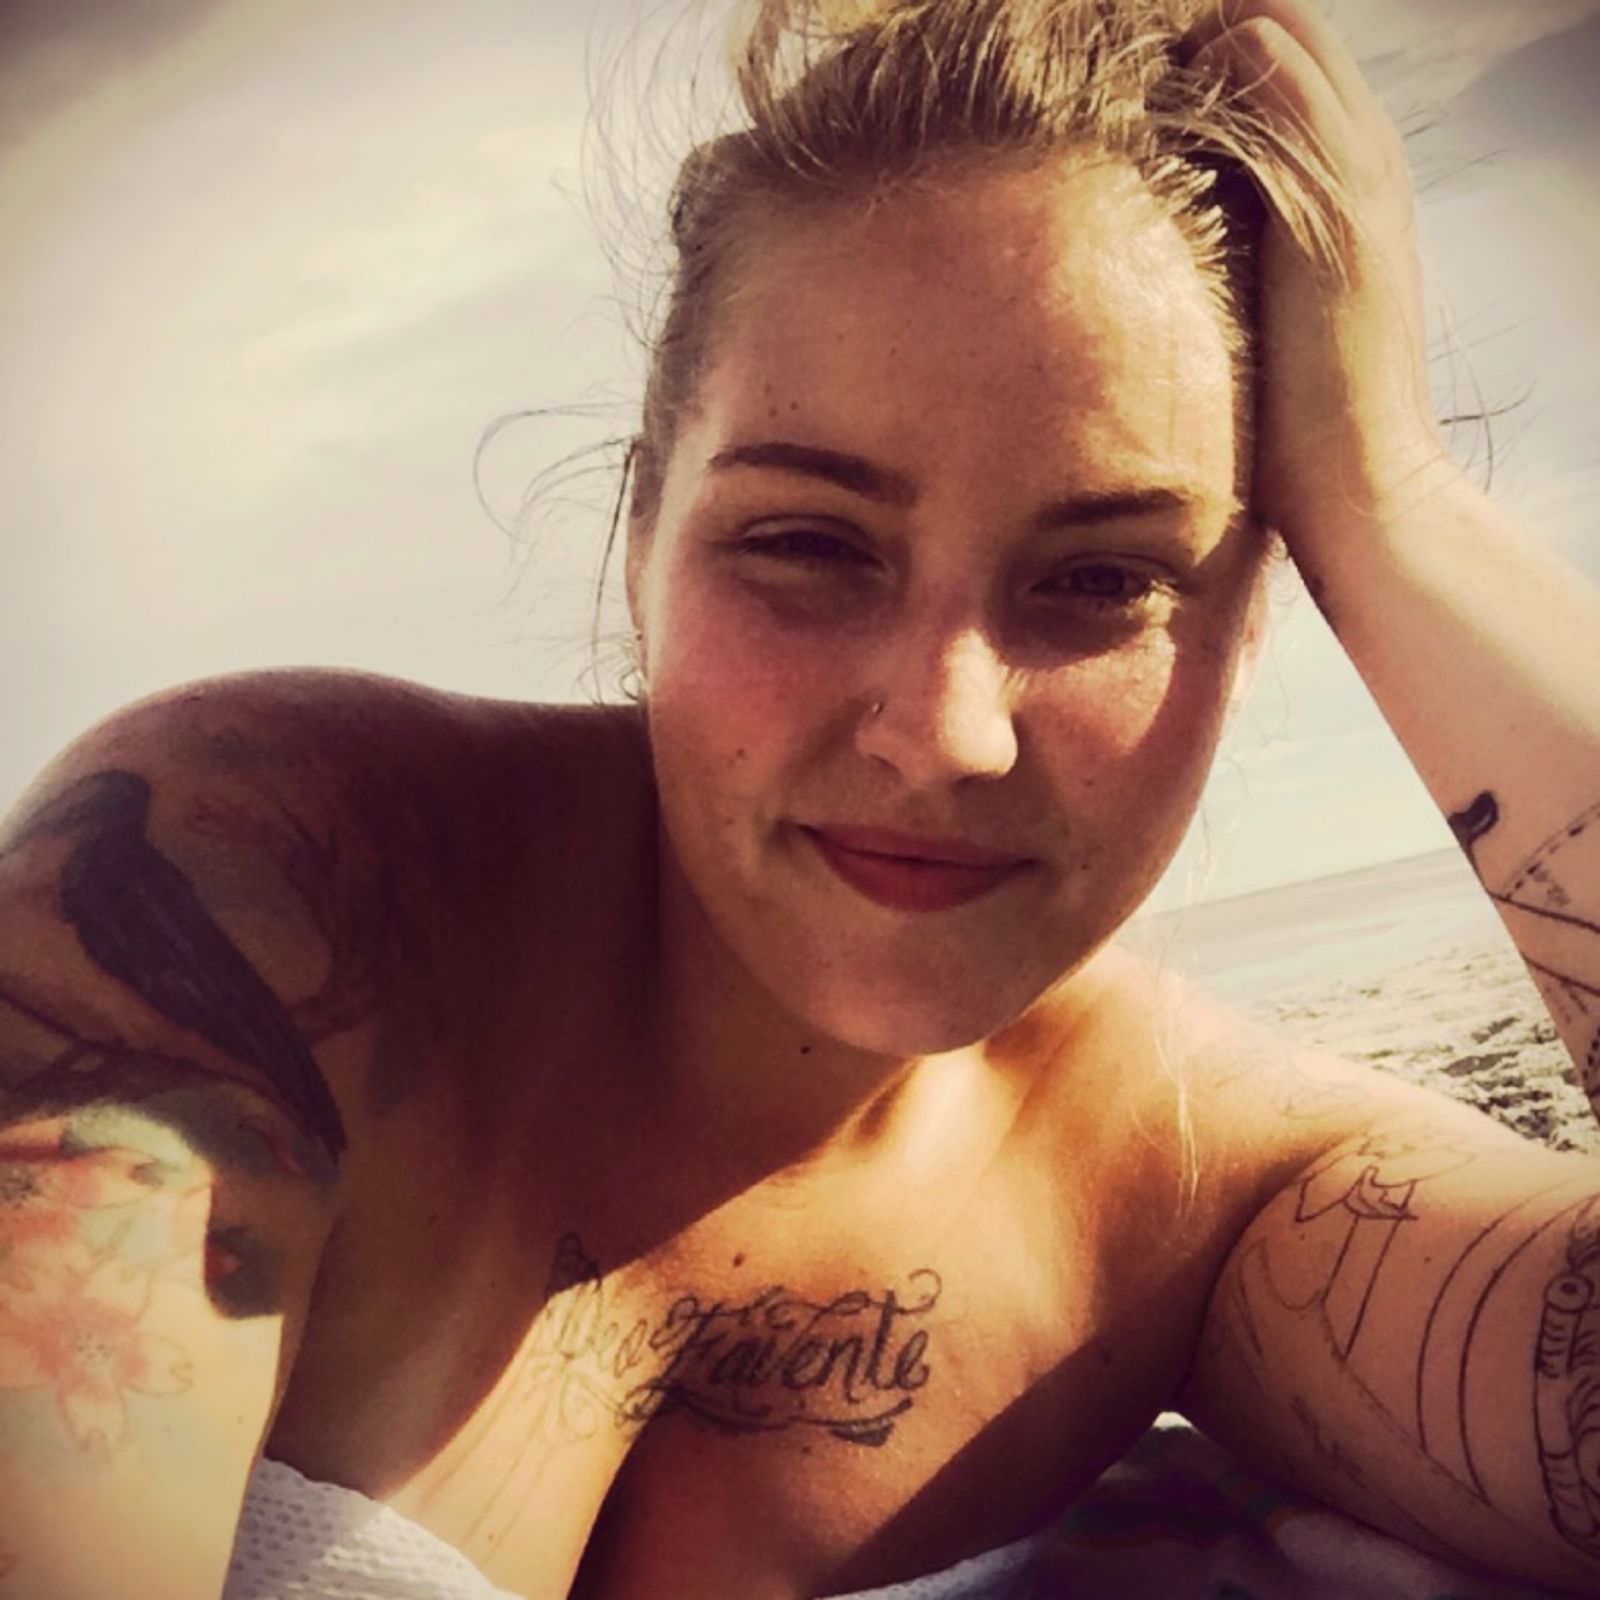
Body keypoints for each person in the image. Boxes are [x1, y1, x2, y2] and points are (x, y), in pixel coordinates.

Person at [1, 0, 1597, 1596]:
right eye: (809, 544)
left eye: (1104, 579)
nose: (944, 733)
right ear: (643, 533)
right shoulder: (256, 896)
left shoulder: (1195, 1196)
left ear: (1250, 619)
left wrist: (1400, 507)